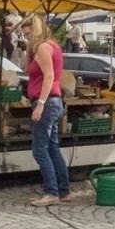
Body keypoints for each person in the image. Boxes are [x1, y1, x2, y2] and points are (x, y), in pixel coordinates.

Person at [22, 14, 72, 206]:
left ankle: (51, 192)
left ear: (35, 31)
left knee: (39, 150)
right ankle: (64, 190)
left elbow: (49, 76)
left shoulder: (43, 47)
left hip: (47, 101)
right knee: (52, 147)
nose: (26, 38)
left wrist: (40, 104)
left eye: (27, 34)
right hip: (54, 101)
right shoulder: (53, 46)